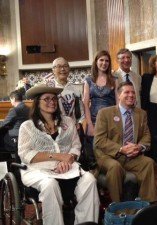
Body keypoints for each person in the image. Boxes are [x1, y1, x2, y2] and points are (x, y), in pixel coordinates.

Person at [18, 84, 99, 225]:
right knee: (50, 185)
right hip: (38, 170)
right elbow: (25, 154)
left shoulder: (67, 122)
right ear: (37, 103)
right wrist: (58, 156)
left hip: (68, 168)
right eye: (47, 99)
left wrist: (68, 160)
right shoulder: (28, 126)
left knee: (90, 180)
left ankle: (86, 223)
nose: (52, 102)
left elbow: (76, 145)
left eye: (54, 99)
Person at [94, 81, 157, 203]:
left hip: (132, 156)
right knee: (115, 167)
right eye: (127, 92)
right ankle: (117, 209)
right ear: (119, 95)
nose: (131, 95)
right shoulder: (105, 113)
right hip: (109, 156)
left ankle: (147, 205)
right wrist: (121, 149)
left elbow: (146, 136)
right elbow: (99, 140)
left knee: (149, 163)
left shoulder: (141, 113)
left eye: (133, 93)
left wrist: (139, 147)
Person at [83, 50, 116, 164]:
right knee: (94, 154)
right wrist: (90, 125)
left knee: (108, 152)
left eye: (107, 60)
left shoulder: (114, 79)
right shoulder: (88, 80)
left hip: (110, 122)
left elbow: (118, 104)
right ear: (96, 62)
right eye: (101, 60)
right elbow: (85, 104)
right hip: (93, 121)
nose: (104, 63)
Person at [44, 57, 84, 126]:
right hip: (54, 128)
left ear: (69, 69)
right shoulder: (47, 88)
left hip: (73, 128)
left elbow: (81, 111)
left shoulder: (76, 89)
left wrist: (80, 123)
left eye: (65, 66)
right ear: (53, 70)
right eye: (59, 66)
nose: (62, 69)